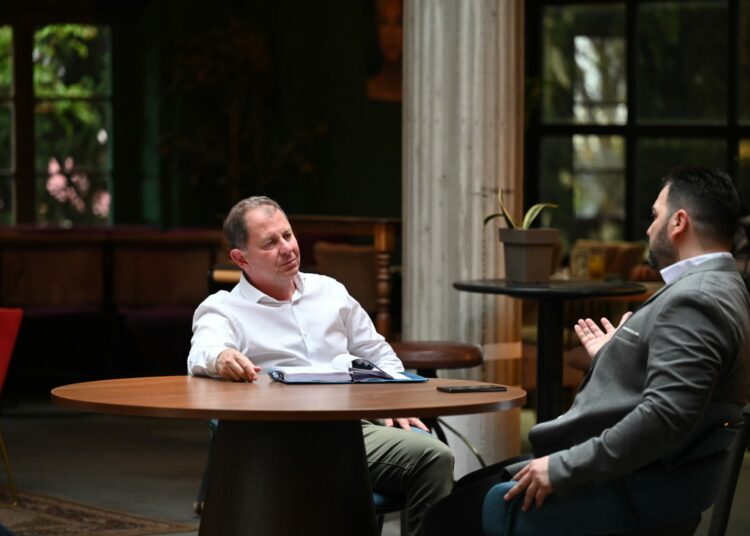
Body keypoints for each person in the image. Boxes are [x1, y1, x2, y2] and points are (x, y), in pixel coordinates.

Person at [423, 166, 750, 535]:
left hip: (619, 486)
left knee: (445, 517)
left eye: (655, 215)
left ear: (679, 222)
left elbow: (665, 418)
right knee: (464, 491)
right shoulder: (726, 287)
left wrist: (562, 468)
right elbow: (680, 394)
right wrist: (617, 357)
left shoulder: (695, 300)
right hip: (636, 478)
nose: (648, 229)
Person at [187, 195, 453, 536]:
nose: (287, 248)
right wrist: (221, 356)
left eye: (287, 235)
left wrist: (396, 398)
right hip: (277, 441)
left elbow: (378, 353)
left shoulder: (330, 291)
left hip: (350, 429)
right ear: (241, 258)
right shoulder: (223, 309)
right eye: (270, 243)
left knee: (435, 457)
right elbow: (202, 352)